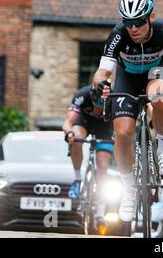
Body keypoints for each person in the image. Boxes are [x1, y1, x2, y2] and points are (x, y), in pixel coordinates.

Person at [92, 0, 163, 223]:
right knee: (123, 132)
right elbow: (102, 72)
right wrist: (101, 85)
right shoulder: (119, 34)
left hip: (155, 74)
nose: (134, 28)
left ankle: (162, 151)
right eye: (128, 22)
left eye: (138, 21)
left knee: (159, 93)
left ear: (150, 16)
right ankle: (128, 189)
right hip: (127, 80)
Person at [62, 85, 114, 228]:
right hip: (84, 121)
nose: (97, 111)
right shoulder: (82, 95)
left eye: (100, 107)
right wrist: (69, 133)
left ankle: (100, 210)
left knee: (103, 167)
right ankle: (77, 178)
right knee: (77, 139)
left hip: (105, 126)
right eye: (96, 106)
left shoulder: (113, 97)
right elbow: (68, 122)